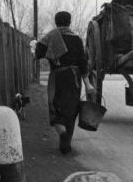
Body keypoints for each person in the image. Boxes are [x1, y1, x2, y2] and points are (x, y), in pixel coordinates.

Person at [31, 11, 94, 154]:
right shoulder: (77, 39)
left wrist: (35, 47)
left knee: (56, 107)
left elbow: (38, 54)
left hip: (57, 78)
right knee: (71, 109)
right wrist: (88, 84)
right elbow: (83, 63)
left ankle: (62, 135)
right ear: (70, 22)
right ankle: (66, 143)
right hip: (74, 79)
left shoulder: (50, 37)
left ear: (56, 22)